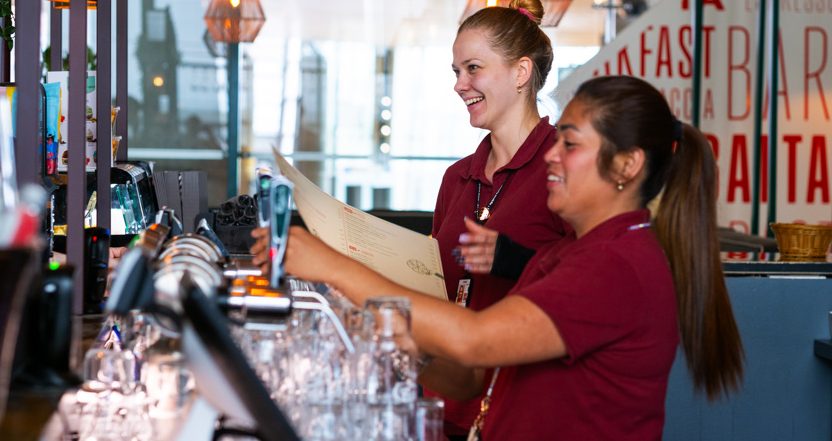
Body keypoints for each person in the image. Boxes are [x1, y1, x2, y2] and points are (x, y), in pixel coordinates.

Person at [252, 75, 745, 440]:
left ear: (626, 165)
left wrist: (331, 265)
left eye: (570, 145)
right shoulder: (569, 252)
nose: (551, 155)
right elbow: (472, 379)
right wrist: (397, 342)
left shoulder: (619, 264)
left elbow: (475, 342)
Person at [427, 0, 571, 436]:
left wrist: (514, 260)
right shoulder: (456, 178)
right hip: (445, 407)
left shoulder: (566, 168)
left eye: (473, 68)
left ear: (521, 72)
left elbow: (593, 285)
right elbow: (437, 286)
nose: (459, 84)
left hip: (523, 415)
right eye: (456, 71)